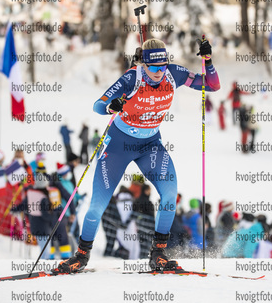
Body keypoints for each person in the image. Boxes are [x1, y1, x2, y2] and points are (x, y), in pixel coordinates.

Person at [53, 37, 220, 274]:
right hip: (118, 145)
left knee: (170, 196)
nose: (159, 72)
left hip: (150, 145)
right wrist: (112, 106)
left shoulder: (174, 74)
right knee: (96, 207)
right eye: (153, 67)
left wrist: (208, 61)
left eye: (162, 66)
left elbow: (212, 85)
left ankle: (158, 254)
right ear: (143, 64)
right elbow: (98, 105)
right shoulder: (132, 78)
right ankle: (81, 255)